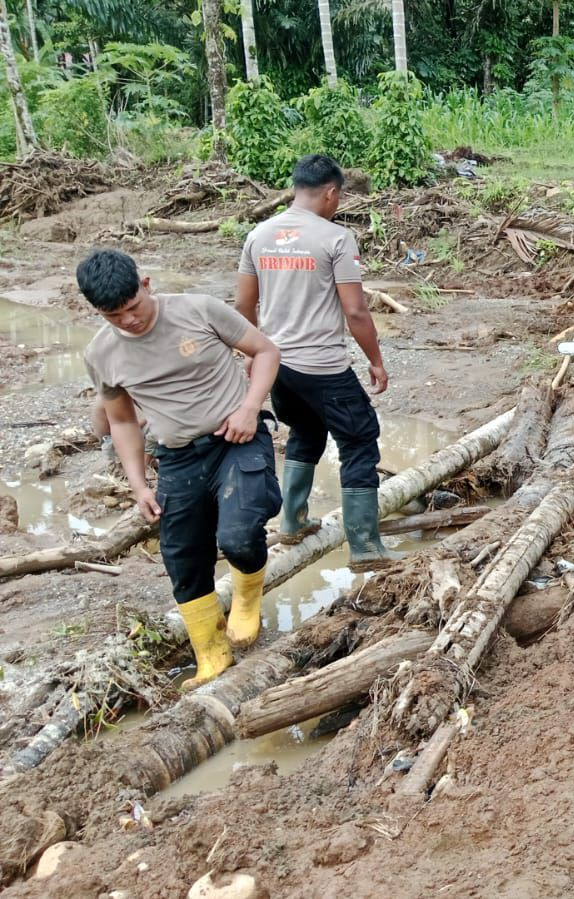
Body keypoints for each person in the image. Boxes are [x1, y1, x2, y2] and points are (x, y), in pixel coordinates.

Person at [78, 249, 282, 686]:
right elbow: (121, 420)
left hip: (237, 438)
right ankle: (211, 653)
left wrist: (251, 407)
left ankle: (246, 599)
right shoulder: (102, 353)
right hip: (177, 457)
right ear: (98, 312)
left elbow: (265, 350)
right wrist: (138, 485)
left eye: (133, 307)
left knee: (239, 534)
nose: (129, 321)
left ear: (146, 284)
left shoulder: (198, 310)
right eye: (115, 315)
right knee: (183, 559)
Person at [237, 153, 403, 572]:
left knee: (306, 431)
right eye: (339, 197)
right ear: (331, 193)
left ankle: (292, 520)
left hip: (279, 366)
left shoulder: (259, 235)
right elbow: (357, 311)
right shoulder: (335, 238)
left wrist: (253, 353)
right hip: (323, 366)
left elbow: (242, 304)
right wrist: (376, 361)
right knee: (360, 440)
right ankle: (365, 547)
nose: (338, 204)